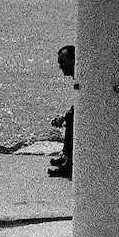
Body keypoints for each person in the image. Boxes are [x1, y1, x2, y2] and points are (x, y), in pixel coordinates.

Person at [48, 45, 75, 177]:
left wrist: (64, 117)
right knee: (71, 117)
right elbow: (78, 104)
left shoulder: (83, 78)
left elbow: (81, 106)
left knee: (72, 119)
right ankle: (66, 156)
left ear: (74, 60)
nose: (61, 67)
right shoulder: (80, 78)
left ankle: (69, 162)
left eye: (63, 62)